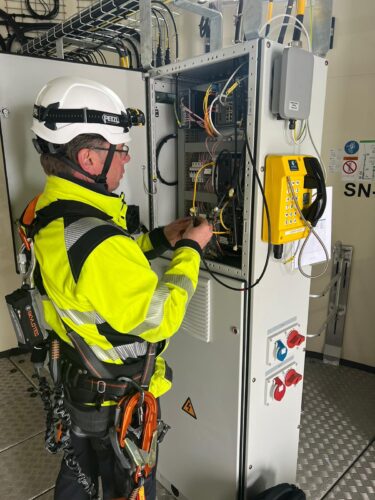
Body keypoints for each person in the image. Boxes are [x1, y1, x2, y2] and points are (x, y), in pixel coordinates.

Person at [27, 76, 212, 500]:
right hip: (117, 403)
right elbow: (159, 318)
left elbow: (99, 265)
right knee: (122, 485)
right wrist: (190, 250)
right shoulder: (99, 242)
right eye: (122, 150)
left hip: (80, 384)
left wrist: (162, 238)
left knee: (79, 476)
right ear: (90, 158)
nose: (127, 161)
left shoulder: (50, 213)